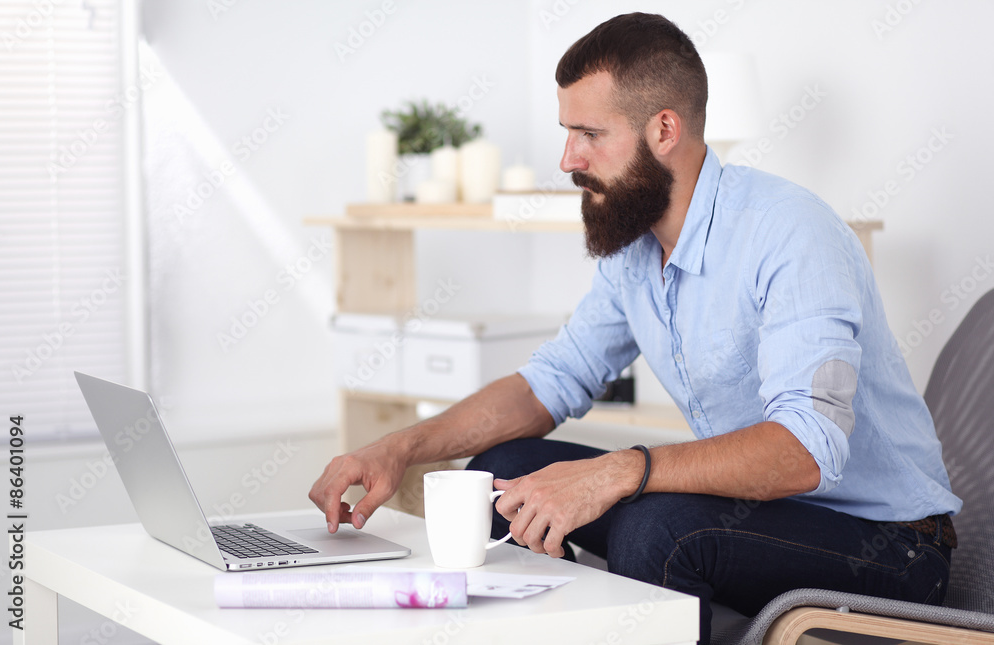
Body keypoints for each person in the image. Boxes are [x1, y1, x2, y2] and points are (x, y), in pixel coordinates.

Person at [310, 12, 961, 644]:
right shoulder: (635, 250)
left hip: (892, 547)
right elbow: (548, 384)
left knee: (662, 528)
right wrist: (399, 446)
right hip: (760, 521)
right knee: (501, 475)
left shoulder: (791, 233)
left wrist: (624, 468)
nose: (568, 158)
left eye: (589, 134)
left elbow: (806, 449)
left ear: (664, 130)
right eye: (567, 132)